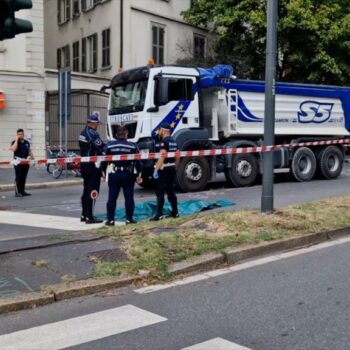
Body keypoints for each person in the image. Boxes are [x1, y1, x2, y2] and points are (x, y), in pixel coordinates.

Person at [103, 125, 142, 226]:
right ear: (126, 134)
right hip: (128, 174)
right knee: (129, 197)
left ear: (116, 135)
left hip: (114, 174)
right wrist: (139, 175)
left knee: (112, 198)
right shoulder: (133, 146)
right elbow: (138, 162)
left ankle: (110, 220)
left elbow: (104, 161)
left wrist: (103, 173)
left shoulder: (109, 145)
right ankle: (129, 219)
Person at [79, 112, 105, 224]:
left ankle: (84, 214)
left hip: (84, 164)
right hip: (92, 165)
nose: (98, 125)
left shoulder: (82, 132)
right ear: (93, 123)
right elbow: (101, 146)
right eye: (97, 123)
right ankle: (90, 216)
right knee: (93, 190)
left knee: (86, 190)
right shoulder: (93, 133)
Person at [151, 122, 179, 221]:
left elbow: (162, 156)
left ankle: (159, 214)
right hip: (171, 168)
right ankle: (175, 212)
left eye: (160, 130)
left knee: (160, 192)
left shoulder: (164, 142)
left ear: (163, 131)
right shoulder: (174, 141)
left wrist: (156, 169)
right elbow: (177, 154)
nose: (159, 132)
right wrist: (176, 165)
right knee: (171, 191)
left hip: (164, 169)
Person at [10, 129, 34, 197]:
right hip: (17, 163)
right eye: (19, 134)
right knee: (18, 177)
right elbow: (14, 149)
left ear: (24, 134)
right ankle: (17, 192)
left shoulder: (26, 142)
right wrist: (17, 140)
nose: (21, 135)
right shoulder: (14, 142)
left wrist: (33, 159)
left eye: (22, 134)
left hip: (25, 163)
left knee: (23, 177)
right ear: (17, 135)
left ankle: (22, 191)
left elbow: (29, 151)